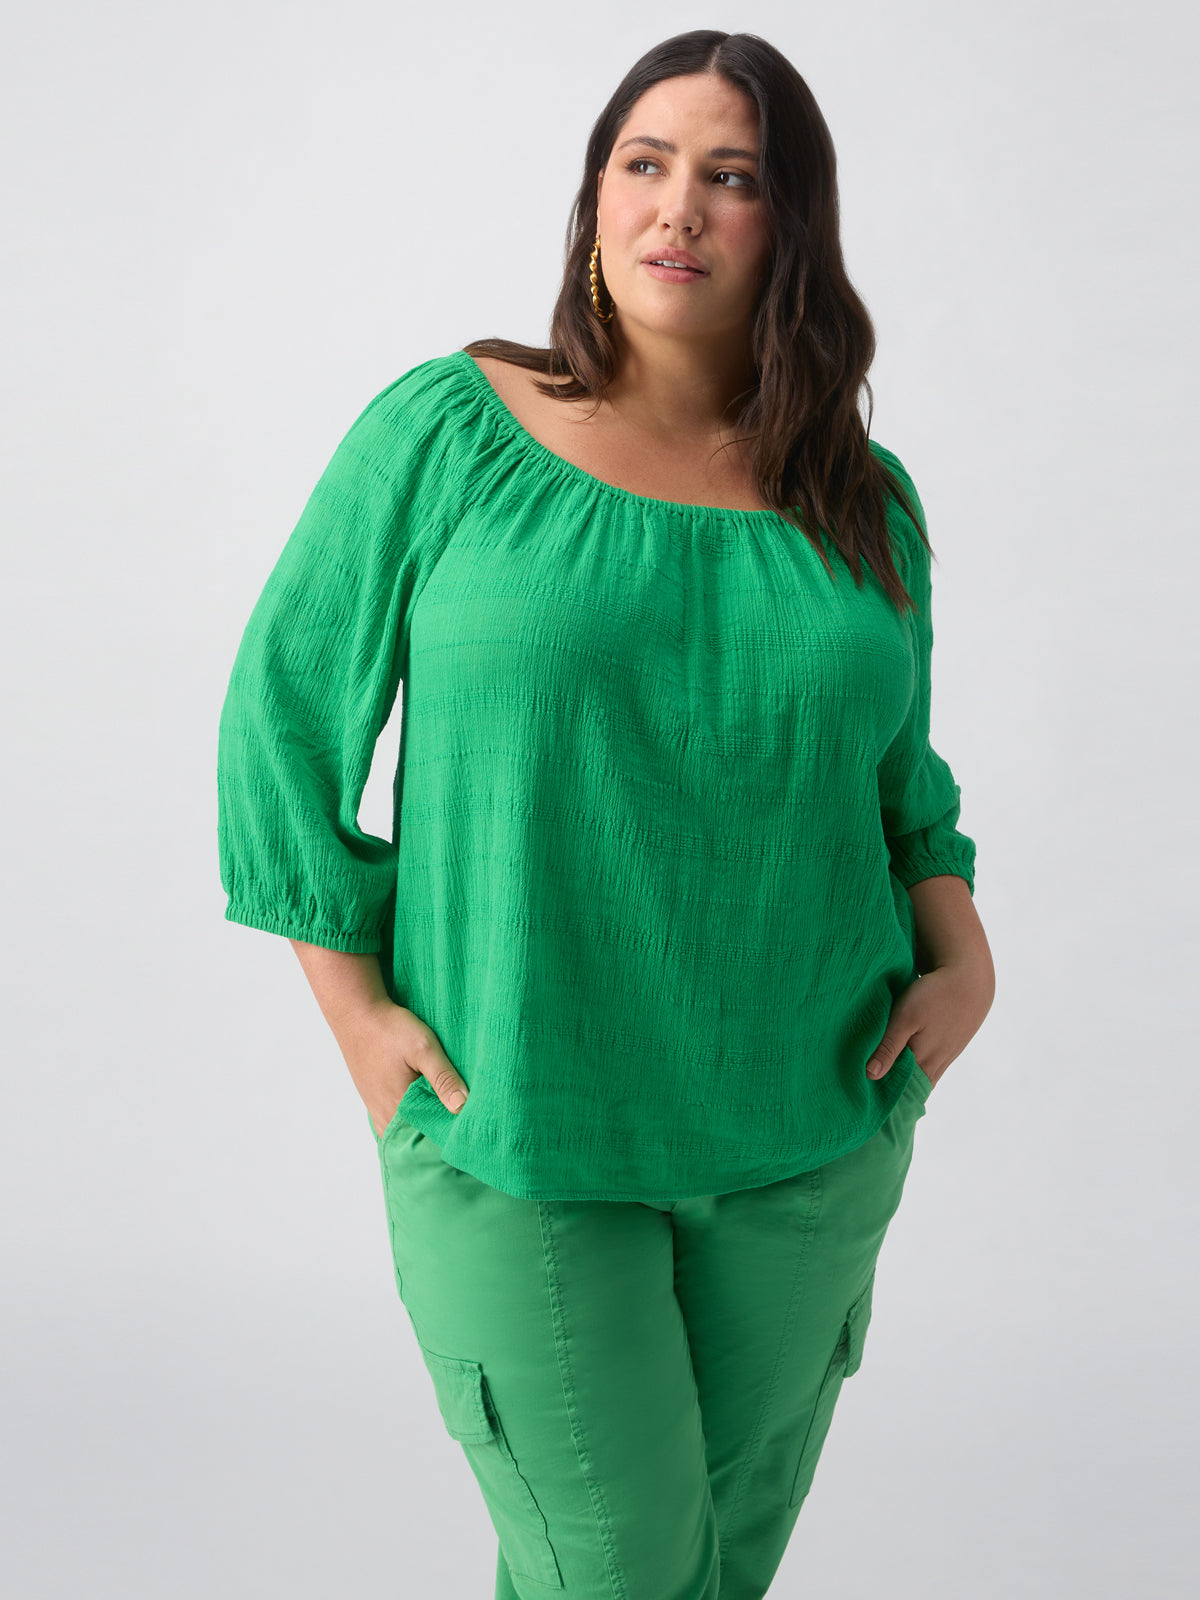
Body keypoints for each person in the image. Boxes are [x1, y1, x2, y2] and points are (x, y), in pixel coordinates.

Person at [216, 27, 995, 1600]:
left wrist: (964, 953)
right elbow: (281, 720)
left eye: (733, 177)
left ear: (792, 228)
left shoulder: (864, 500)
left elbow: (899, 783)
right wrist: (357, 1014)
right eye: (644, 165)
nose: (679, 208)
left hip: (809, 1124)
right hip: (517, 1120)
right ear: (591, 202)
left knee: (709, 1577)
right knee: (627, 1572)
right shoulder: (449, 435)